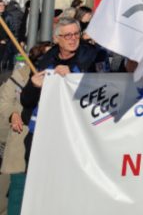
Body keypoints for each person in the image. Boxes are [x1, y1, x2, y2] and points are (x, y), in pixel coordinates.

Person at [20, 18, 105, 163]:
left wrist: (73, 77)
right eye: (67, 35)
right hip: (43, 135)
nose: (73, 39)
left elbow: (103, 91)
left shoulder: (93, 56)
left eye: (76, 34)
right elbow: (27, 102)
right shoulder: (45, 60)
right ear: (56, 38)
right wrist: (33, 86)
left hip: (77, 136)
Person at [0, 41, 52, 215]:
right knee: (18, 187)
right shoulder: (20, 76)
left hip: (49, 140)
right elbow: (5, 101)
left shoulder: (59, 79)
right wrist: (13, 113)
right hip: (22, 135)